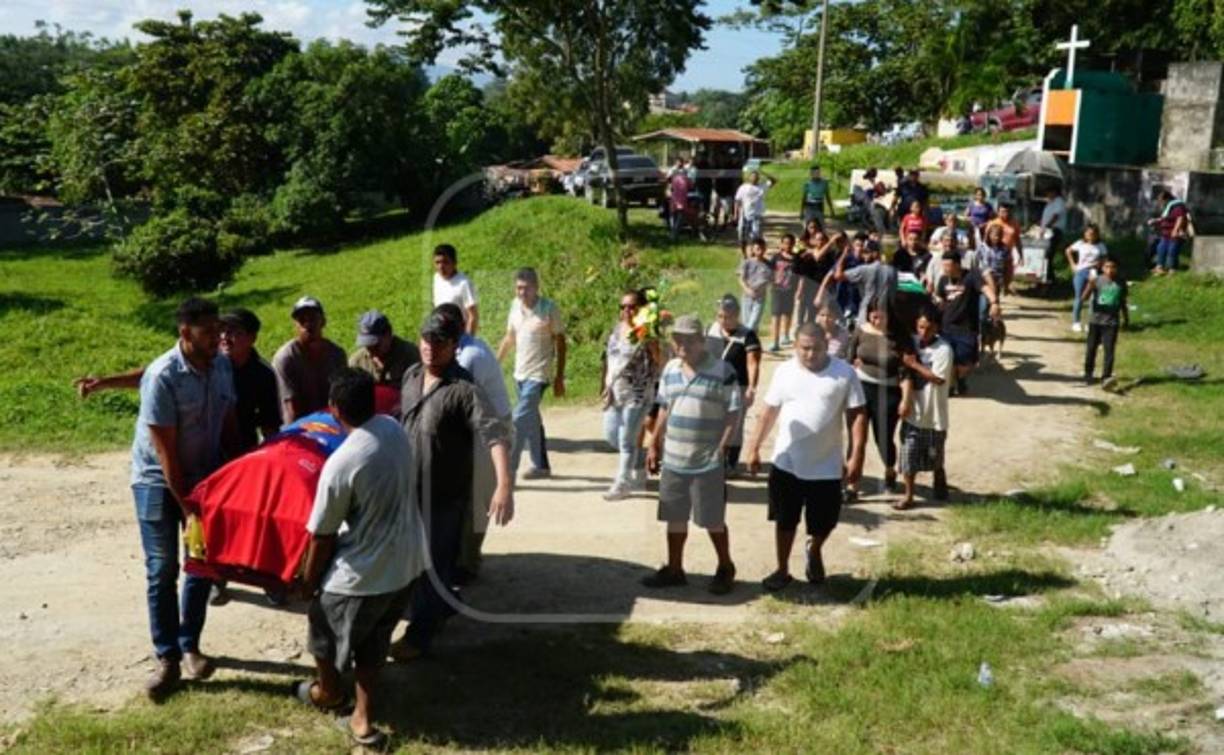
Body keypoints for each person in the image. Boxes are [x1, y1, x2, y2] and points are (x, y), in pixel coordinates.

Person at [295, 368, 426, 749]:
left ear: (334, 409)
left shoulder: (342, 463)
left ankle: (329, 693)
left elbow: (321, 535)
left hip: (365, 574)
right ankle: (362, 717)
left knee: (322, 627)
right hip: (408, 563)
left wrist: (308, 582)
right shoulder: (393, 429)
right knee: (375, 639)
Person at [129, 297, 238, 699]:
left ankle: (190, 644)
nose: (216, 338)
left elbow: (229, 423)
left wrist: (236, 476)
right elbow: (166, 455)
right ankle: (168, 658)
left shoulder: (222, 366)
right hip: (157, 481)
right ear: (184, 333)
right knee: (162, 568)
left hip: (204, 477)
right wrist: (188, 508)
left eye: (218, 330)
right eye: (207, 332)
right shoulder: (162, 376)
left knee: (201, 563)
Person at [395, 309, 514, 659]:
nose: (430, 347)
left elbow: (494, 434)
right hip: (409, 491)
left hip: (444, 496)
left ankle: (419, 638)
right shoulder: (411, 375)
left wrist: (504, 484)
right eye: (426, 339)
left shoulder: (464, 389)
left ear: (454, 345)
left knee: (433, 563)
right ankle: (444, 606)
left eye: (440, 342)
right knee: (415, 562)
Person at [747, 323, 867, 591]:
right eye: (804, 348)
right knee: (784, 519)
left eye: (816, 349)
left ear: (827, 345)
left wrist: (856, 454)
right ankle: (782, 569)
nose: (810, 354)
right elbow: (768, 412)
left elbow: (857, 415)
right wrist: (754, 447)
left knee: (825, 522)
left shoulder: (844, 373)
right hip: (786, 462)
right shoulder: (784, 371)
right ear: (795, 346)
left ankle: (814, 548)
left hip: (826, 464)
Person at [76, 307, 279, 454]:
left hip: (239, 450)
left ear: (252, 338)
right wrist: (103, 382)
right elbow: (153, 376)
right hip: (197, 451)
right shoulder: (204, 358)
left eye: (235, 332)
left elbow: (269, 425)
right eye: (222, 330)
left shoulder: (263, 374)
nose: (225, 337)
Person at [642, 315, 742, 595]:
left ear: (701, 341)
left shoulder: (723, 371)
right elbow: (664, 407)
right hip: (674, 458)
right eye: (677, 339)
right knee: (674, 516)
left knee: (712, 519)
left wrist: (722, 448)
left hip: (707, 460)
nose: (682, 345)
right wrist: (653, 443)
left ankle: (725, 567)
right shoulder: (671, 369)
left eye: (689, 339)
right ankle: (675, 569)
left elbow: (733, 412)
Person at [435, 303, 513, 582]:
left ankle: (466, 565)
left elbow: (463, 403)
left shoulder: (470, 357)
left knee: (477, 499)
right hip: (477, 427)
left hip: (492, 429)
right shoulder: (460, 351)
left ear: (458, 330)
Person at [498, 267, 566, 479]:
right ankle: (541, 466)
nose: (522, 292)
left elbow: (561, 343)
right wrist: (495, 363)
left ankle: (508, 472)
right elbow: (509, 337)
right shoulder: (514, 306)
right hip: (520, 374)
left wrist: (559, 376)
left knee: (518, 421)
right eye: (519, 288)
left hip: (539, 374)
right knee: (532, 421)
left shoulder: (548, 308)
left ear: (536, 287)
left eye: (526, 288)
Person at [845, 302, 913, 497]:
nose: (877, 321)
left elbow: (906, 371)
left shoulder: (899, 336)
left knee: (883, 438)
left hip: (888, 392)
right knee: (856, 439)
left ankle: (890, 469)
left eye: (881, 317)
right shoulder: (861, 331)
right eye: (873, 317)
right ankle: (852, 484)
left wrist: (906, 399)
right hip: (860, 389)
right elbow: (849, 358)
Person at [601, 290, 661, 500]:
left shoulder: (646, 333)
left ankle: (622, 483)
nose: (627, 310)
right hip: (615, 392)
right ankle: (638, 462)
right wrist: (604, 384)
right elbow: (608, 359)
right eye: (623, 306)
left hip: (637, 393)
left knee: (626, 440)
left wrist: (651, 342)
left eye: (632, 307)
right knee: (611, 435)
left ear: (642, 309)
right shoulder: (616, 330)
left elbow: (659, 361)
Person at [896, 308, 954, 509]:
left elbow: (939, 379)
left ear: (936, 328)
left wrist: (915, 365)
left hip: (934, 413)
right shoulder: (911, 343)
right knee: (908, 454)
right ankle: (908, 495)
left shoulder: (944, 350)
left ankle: (939, 477)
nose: (923, 332)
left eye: (928, 328)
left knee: (935, 455)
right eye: (920, 327)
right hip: (913, 410)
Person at [706, 295, 762, 476]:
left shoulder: (748, 335)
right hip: (712, 386)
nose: (724, 320)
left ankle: (730, 462)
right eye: (720, 316)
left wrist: (751, 388)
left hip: (737, 388)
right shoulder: (710, 330)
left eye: (728, 317)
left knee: (735, 426)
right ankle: (712, 460)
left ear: (737, 315)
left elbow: (752, 363)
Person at [272, 296, 347, 425]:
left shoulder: (337, 354)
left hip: (333, 422)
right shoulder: (285, 358)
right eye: (302, 320)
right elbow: (290, 407)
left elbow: (344, 397)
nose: (307, 325)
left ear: (323, 322)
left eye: (312, 319)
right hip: (300, 424)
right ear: (295, 325)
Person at [935, 251, 1000, 395]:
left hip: (966, 328)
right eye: (943, 266)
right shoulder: (943, 279)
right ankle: (951, 386)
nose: (945, 269)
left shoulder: (971, 277)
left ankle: (961, 378)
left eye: (948, 266)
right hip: (946, 327)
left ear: (957, 265)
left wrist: (994, 302)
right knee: (948, 359)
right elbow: (940, 298)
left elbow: (985, 289)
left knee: (965, 363)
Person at [1081, 256, 1129, 388]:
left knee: (1109, 350)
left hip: (1111, 322)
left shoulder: (1121, 283)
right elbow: (1084, 298)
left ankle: (1106, 377)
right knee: (1091, 348)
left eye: (1113, 267)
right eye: (1107, 267)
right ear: (1102, 268)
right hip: (1095, 321)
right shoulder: (1097, 280)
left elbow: (1123, 301)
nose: (1110, 270)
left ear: (1117, 269)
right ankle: (1088, 373)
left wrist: (1126, 318)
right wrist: (1090, 286)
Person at [834, 234, 897, 326]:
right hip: (885, 316)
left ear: (875, 253)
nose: (863, 255)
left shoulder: (864, 269)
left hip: (866, 316)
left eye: (866, 252)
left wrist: (844, 254)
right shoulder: (893, 270)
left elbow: (838, 276)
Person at [348, 310, 421, 387]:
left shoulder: (411, 355)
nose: (371, 352)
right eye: (367, 346)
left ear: (388, 335)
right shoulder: (356, 362)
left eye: (376, 346)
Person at [1065, 224, 1108, 332]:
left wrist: (1101, 265)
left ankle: (1091, 322)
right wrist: (1072, 265)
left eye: (1093, 233)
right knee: (1079, 297)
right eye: (1088, 233)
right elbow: (1068, 251)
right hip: (1081, 271)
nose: (1090, 235)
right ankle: (1076, 322)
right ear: (1085, 234)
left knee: (1094, 298)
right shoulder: (1080, 243)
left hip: (1094, 272)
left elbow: (1105, 258)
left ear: (1096, 234)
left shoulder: (1100, 245)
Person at [432, 243, 480, 334]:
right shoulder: (436, 278)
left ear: (454, 263)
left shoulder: (464, 283)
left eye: (445, 262)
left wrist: (467, 339)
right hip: (441, 332)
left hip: (458, 334)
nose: (441, 267)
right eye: (437, 262)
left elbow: (473, 316)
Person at [767, 234, 799, 352]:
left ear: (793, 244)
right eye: (785, 243)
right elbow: (769, 271)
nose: (787, 245)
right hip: (777, 290)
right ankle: (775, 342)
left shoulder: (796, 259)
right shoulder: (776, 257)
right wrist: (770, 283)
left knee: (787, 314)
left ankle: (785, 335)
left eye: (790, 243)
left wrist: (799, 289)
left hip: (790, 290)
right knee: (776, 315)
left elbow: (800, 275)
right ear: (781, 244)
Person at [734, 170, 774, 258]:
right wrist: (735, 214)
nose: (754, 178)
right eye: (752, 176)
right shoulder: (743, 187)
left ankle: (753, 253)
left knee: (755, 236)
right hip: (744, 215)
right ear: (749, 178)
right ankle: (744, 253)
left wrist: (764, 173)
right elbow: (737, 201)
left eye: (756, 177)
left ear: (758, 178)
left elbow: (774, 180)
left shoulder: (762, 187)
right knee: (741, 236)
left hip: (757, 216)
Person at [1152, 189, 1190, 275]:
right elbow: (1166, 218)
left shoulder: (1177, 206)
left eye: (1161, 200)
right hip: (1166, 233)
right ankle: (1159, 267)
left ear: (1167, 199)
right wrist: (1156, 221)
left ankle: (1172, 269)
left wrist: (1175, 230)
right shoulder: (1169, 206)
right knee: (1161, 249)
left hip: (1175, 233)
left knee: (1172, 251)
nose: (1160, 202)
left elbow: (1180, 218)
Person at [738, 237, 772, 332]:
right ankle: (750, 340)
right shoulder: (747, 262)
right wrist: (747, 290)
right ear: (753, 249)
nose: (760, 251)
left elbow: (770, 280)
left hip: (760, 297)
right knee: (747, 322)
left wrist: (763, 287)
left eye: (762, 248)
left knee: (753, 322)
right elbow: (741, 279)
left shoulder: (768, 264)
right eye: (758, 249)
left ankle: (749, 337)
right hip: (747, 296)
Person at [1038, 187, 1067, 293]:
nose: (1047, 194)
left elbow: (1055, 216)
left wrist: (1047, 226)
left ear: (1054, 192)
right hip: (1046, 231)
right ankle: (1045, 280)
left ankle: (1049, 282)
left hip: (1054, 231)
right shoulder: (1050, 203)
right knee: (1044, 257)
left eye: (1048, 192)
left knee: (1048, 257)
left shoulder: (1059, 201)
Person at [668, 159, 693, 240]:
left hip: (675, 199)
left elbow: (671, 187)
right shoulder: (686, 179)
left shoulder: (674, 179)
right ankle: (674, 233)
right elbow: (691, 186)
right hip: (681, 200)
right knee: (680, 216)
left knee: (674, 216)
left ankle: (673, 232)